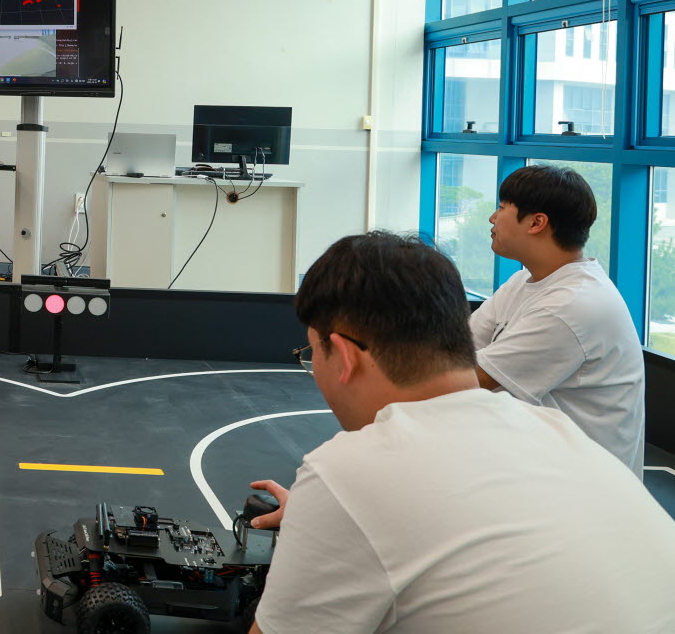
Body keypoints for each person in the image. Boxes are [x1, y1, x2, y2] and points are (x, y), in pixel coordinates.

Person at [244, 231, 675, 634]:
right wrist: (330, 525)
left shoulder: (349, 473)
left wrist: (330, 515)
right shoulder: (556, 429)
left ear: (343, 354)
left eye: (311, 353)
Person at [472, 164, 645, 473]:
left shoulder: (573, 304)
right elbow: (457, 347)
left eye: (501, 207)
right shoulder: (523, 282)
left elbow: (472, 379)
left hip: (580, 480)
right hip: (536, 456)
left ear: (536, 222)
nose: (492, 218)